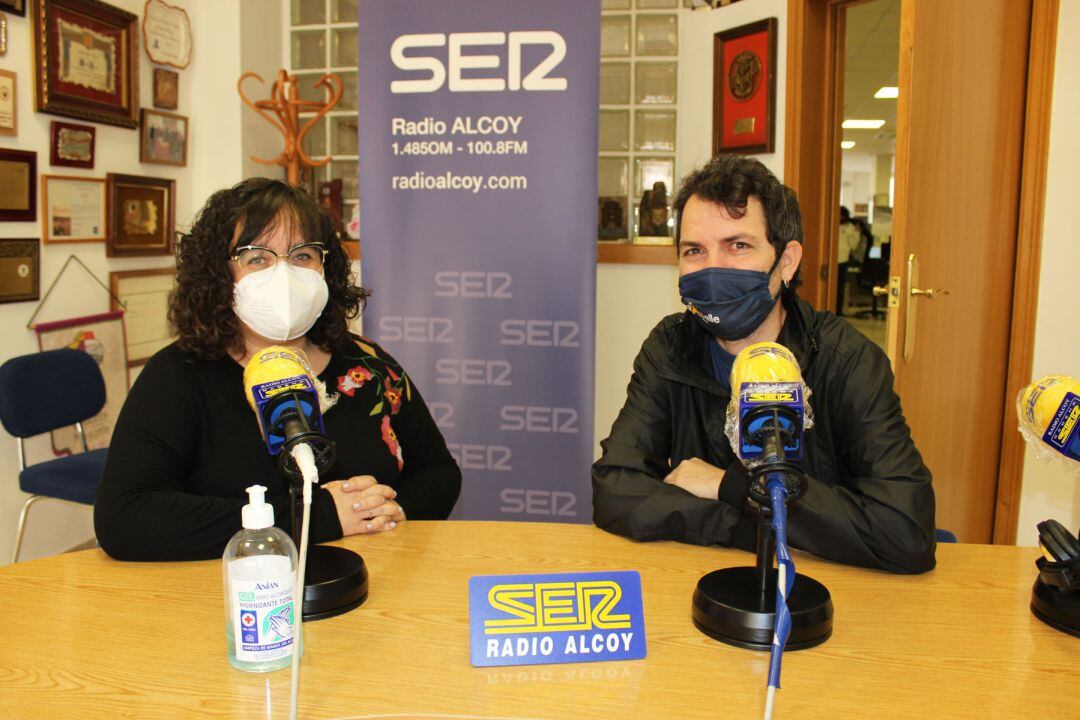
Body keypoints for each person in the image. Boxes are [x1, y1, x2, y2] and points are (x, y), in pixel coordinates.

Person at [591, 155, 935, 574]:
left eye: (738, 246)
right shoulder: (670, 346)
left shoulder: (847, 361)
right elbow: (615, 488)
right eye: (695, 250)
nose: (713, 267)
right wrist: (752, 525)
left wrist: (726, 485)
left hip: (830, 593)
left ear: (786, 262)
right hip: (699, 581)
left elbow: (905, 532)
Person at [95, 178, 461, 561]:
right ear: (219, 275)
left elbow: (439, 472)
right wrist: (316, 517)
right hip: (236, 599)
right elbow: (123, 517)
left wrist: (390, 510)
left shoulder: (368, 366)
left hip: (372, 585)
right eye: (257, 258)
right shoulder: (179, 376)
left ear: (325, 268)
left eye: (302, 255)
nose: (284, 274)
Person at [835, 205, 863, 316]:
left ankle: (839, 311)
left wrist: (856, 233)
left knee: (840, 287)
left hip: (843, 261)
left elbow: (853, 246)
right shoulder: (832, 224)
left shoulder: (850, 228)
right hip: (833, 261)